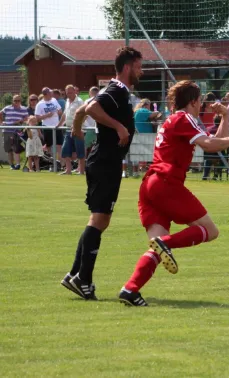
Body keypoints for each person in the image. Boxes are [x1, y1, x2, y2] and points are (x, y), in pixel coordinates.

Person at [118, 80, 229, 306]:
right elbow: (210, 145)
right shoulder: (184, 117)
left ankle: (130, 289)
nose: (202, 104)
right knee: (210, 231)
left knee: (155, 249)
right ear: (193, 101)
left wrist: (225, 119)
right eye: (200, 100)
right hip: (166, 183)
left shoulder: (175, 119)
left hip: (150, 185)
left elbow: (215, 144)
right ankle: (166, 243)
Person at [60, 46, 144, 300]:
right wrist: (119, 127)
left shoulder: (118, 91)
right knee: (99, 220)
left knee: (99, 220)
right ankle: (83, 279)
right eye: (140, 66)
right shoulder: (117, 89)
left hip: (105, 161)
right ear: (128, 67)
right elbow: (93, 107)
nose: (142, 71)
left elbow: (83, 108)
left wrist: (76, 127)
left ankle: (75, 274)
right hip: (106, 162)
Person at [58, 84, 85, 175]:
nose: (69, 94)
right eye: (67, 93)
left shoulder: (80, 102)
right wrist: (58, 125)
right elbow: (65, 114)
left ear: (74, 91)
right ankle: (68, 170)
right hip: (68, 129)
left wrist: (77, 126)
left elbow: (85, 115)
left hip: (78, 130)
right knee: (65, 150)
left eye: (70, 92)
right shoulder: (67, 101)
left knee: (80, 151)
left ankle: (81, 171)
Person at [0, 95, 29, 170]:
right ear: (12, 101)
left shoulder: (24, 109)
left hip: (17, 131)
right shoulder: (7, 108)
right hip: (7, 130)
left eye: (18, 100)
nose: (16, 102)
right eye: (15, 100)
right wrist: (1, 122)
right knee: (9, 149)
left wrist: (21, 121)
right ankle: (11, 165)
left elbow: (27, 118)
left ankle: (18, 164)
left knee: (16, 148)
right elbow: (0, 113)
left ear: (20, 101)